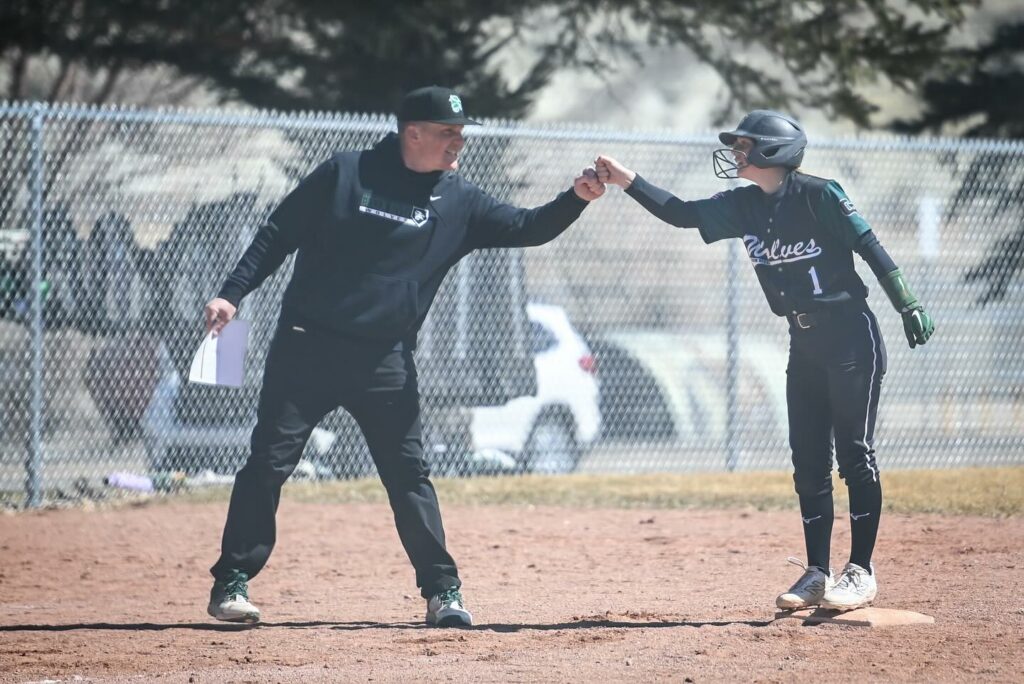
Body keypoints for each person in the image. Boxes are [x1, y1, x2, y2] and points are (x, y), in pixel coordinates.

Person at [203, 85, 606, 626]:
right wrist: (232, 292)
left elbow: (528, 229)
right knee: (268, 464)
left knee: (409, 475)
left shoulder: (458, 201)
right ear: (411, 132)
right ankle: (232, 579)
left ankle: (444, 593)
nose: (457, 144)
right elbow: (278, 234)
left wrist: (576, 196)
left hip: (384, 360)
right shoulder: (344, 174)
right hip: (308, 347)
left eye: (461, 134)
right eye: (447, 133)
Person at [594, 110, 934, 612]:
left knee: (854, 456)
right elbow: (682, 213)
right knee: (808, 461)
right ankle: (818, 572)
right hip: (804, 343)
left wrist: (907, 301)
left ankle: (860, 570)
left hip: (850, 338)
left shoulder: (821, 194)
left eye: (745, 146)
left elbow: (869, 245)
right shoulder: (743, 206)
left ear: (773, 151)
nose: (736, 154)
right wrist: (627, 180)